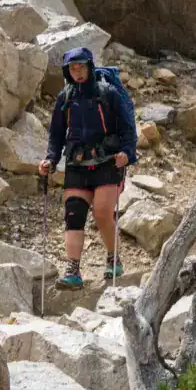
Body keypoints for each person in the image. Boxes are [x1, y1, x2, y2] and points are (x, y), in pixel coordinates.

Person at [38, 47, 137, 289]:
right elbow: (57, 135)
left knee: (102, 212)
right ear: (67, 70)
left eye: (81, 66)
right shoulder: (65, 98)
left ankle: (114, 258)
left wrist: (127, 153)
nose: (78, 72)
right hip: (77, 164)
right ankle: (73, 270)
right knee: (74, 214)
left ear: (90, 66)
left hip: (108, 162)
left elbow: (127, 130)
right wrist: (50, 159)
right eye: (73, 68)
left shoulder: (109, 93)